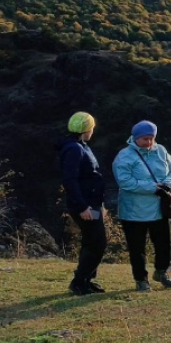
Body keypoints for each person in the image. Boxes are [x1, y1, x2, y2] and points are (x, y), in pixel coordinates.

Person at [113, 121, 171, 292]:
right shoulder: (125, 156)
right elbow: (125, 181)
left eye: (152, 139)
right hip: (133, 211)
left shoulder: (161, 151)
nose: (149, 142)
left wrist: (168, 183)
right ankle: (141, 280)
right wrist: (152, 188)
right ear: (135, 138)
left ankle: (161, 272)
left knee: (164, 244)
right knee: (137, 248)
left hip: (158, 209)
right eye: (145, 139)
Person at [59, 112, 108, 296]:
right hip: (84, 204)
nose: (93, 130)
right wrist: (82, 207)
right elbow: (70, 180)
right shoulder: (74, 149)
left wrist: (99, 204)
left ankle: (86, 280)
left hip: (91, 202)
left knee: (92, 241)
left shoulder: (80, 146)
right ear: (85, 129)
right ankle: (79, 281)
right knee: (97, 242)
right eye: (92, 127)